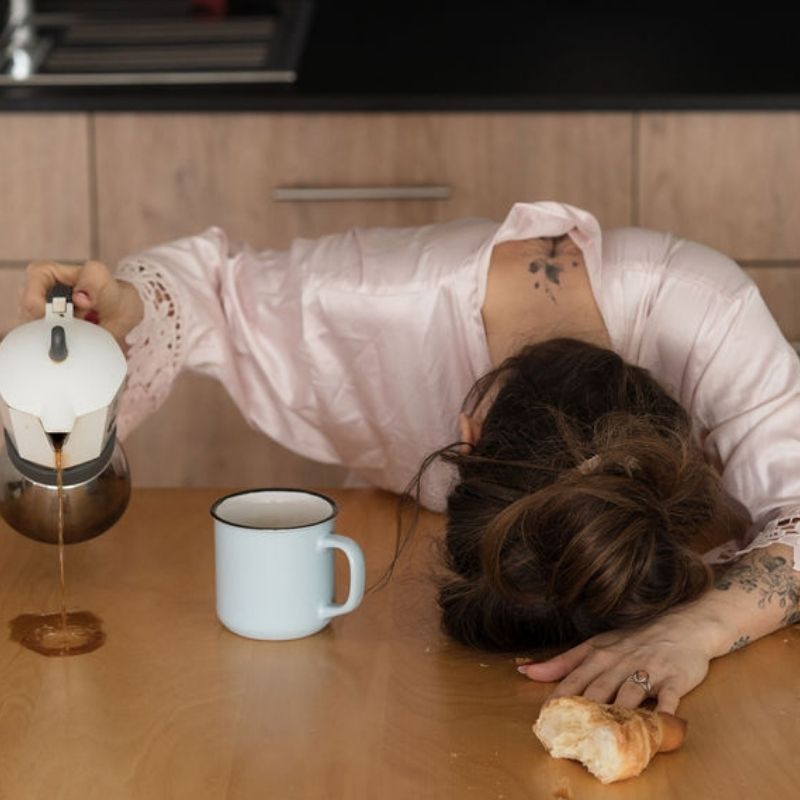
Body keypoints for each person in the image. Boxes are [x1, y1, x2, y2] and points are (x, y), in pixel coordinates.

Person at [21, 201, 800, 716]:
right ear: (462, 438)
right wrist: (125, 307)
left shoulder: (710, 315)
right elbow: (211, 290)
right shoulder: (364, 299)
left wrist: (696, 630)